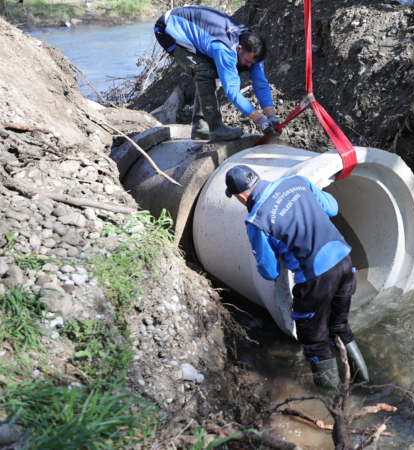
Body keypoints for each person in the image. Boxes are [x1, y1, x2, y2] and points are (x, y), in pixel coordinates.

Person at [224, 165, 370, 388]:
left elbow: (270, 271)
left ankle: (334, 408)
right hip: (345, 263)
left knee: (315, 342)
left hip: (315, 279)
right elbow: (331, 208)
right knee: (339, 327)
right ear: (259, 178)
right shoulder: (298, 181)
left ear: (242, 198)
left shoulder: (256, 221)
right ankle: (366, 385)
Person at [153, 5, 282, 141]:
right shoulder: (225, 49)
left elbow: (261, 84)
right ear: (239, 49)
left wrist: (271, 117)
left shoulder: (253, 50)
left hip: (201, 30)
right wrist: (260, 121)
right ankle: (215, 128)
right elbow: (232, 91)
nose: (249, 66)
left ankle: (200, 128)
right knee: (205, 70)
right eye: (247, 61)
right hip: (168, 28)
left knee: (213, 69)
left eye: (253, 63)